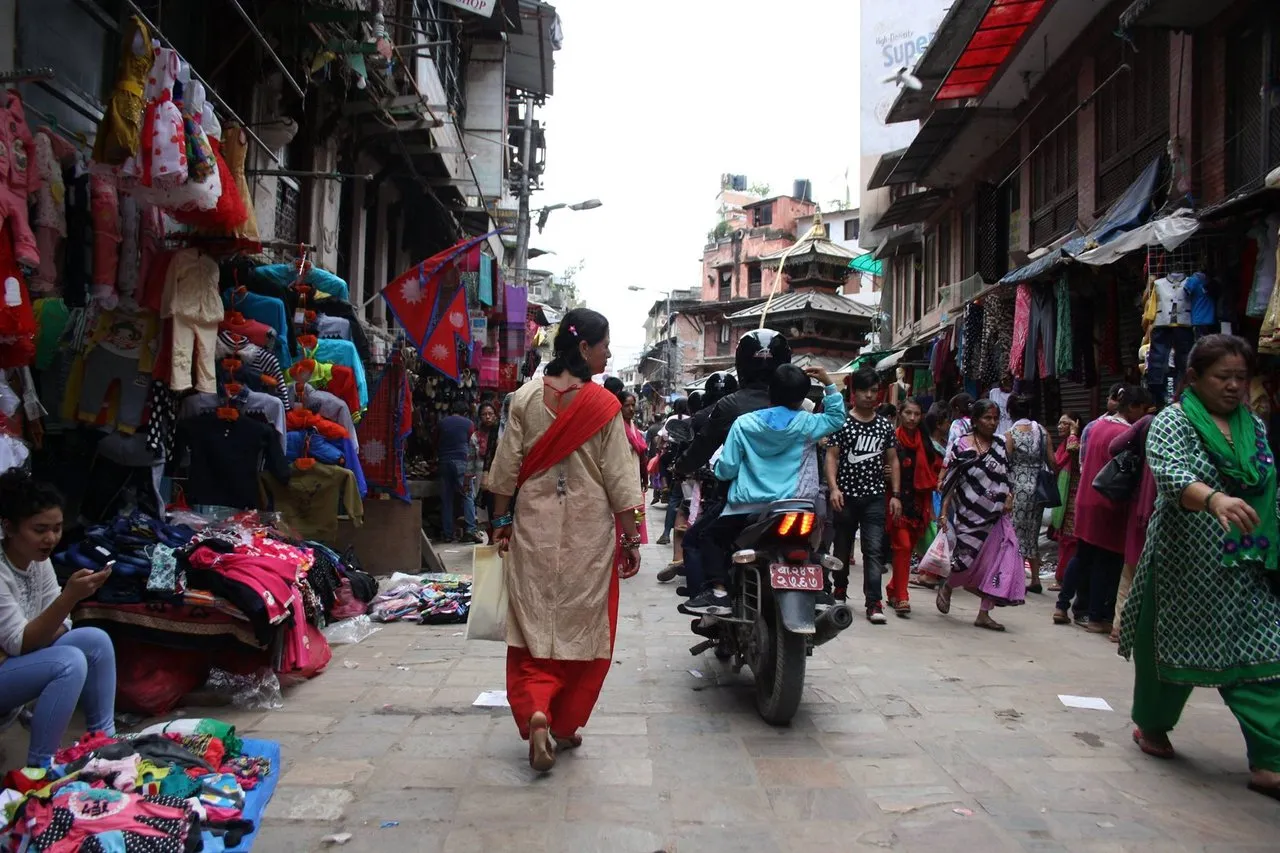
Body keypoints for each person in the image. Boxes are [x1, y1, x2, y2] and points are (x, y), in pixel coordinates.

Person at [1119, 334, 1280, 799]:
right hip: (1183, 568)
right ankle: (1152, 725)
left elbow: (1269, 480)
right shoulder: (1172, 421)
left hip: (1248, 565)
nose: (1234, 387)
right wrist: (1215, 500)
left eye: (1241, 379)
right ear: (1193, 378)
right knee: (1168, 657)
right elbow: (1170, 473)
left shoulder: (1255, 426)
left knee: (1265, 658)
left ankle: (1270, 760)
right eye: (1222, 378)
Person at [487, 308, 643, 772]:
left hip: (533, 526)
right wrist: (631, 538)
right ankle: (563, 723)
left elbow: (504, 470)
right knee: (586, 626)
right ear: (583, 348)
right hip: (587, 534)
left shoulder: (524, 398)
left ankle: (536, 708)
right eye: (604, 346)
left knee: (532, 621)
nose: (609, 354)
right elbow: (621, 480)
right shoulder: (604, 407)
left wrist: (499, 523)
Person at [684, 364, 845, 614]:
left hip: (747, 509)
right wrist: (829, 384)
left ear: (771, 391)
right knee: (815, 542)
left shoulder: (744, 424)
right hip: (797, 505)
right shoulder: (807, 423)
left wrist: (719, 472)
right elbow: (836, 418)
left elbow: (727, 468)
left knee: (710, 537)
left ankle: (719, 593)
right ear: (802, 398)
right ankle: (820, 590)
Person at [0, 473, 117, 768]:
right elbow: (20, 642)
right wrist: (70, 597)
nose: (50, 538)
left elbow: (63, 623)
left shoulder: (38, 561)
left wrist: (54, 617)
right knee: (68, 662)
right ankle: (41, 768)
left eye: (57, 528)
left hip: (14, 661)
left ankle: (105, 744)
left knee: (94, 640)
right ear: (8, 528)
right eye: (39, 529)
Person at [676, 330, 792, 609]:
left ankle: (715, 596)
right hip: (792, 498)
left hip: (743, 500)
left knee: (698, 538)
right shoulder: (802, 406)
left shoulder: (731, 407)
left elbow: (705, 450)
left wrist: (682, 467)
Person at [1053, 385, 1152, 631]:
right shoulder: (1128, 434)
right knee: (1105, 562)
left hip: (1085, 498)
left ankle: (1062, 606)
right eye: (1142, 409)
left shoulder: (1093, 427)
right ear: (1133, 407)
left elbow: (1083, 462)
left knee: (1082, 554)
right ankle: (1095, 616)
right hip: (1109, 504)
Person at [936, 399, 1024, 630]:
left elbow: (1007, 475)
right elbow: (950, 482)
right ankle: (948, 585)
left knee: (999, 560)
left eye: (996, 418)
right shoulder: (962, 446)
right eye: (987, 418)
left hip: (996, 517)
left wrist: (1009, 497)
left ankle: (984, 613)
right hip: (968, 515)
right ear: (975, 420)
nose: (993, 423)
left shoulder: (1000, 445)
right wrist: (944, 514)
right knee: (963, 561)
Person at [827, 369, 900, 624]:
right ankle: (839, 590)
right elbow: (832, 456)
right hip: (845, 497)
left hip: (874, 497)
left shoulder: (884, 426)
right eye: (864, 391)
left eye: (873, 391)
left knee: (874, 550)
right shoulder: (842, 423)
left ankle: (874, 601)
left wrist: (896, 494)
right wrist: (834, 488)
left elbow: (892, 459)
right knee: (842, 547)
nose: (869, 396)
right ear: (853, 393)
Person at [886, 398, 940, 616]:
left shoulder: (925, 443)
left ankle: (892, 588)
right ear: (900, 413)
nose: (912, 418)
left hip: (918, 504)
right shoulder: (891, 439)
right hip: (896, 500)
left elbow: (938, 467)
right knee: (903, 547)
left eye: (916, 414)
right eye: (908, 413)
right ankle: (902, 596)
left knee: (906, 550)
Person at [1108, 409, 1157, 643]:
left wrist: (1136, 455)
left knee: (1130, 568)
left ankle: (1119, 625)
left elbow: (1115, 447)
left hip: (1140, 505)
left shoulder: (1148, 422)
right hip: (1160, 506)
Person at [1005, 395, 1053, 595]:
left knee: (1013, 531)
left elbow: (1006, 462)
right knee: (1032, 533)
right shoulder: (1042, 432)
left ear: (1010, 412)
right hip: (1038, 488)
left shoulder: (1011, 434)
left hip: (1017, 488)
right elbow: (1053, 461)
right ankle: (1034, 578)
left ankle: (1012, 577)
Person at [615, 389, 649, 577]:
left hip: (636, 479)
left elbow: (642, 454)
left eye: (632, 405)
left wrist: (645, 477)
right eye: (626, 405)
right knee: (622, 521)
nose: (630, 409)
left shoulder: (634, 427)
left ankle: (629, 556)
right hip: (623, 481)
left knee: (636, 519)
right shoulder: (617, 428)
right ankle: (619, 560)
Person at [1047, 412, 1083, 592]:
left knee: (1070, 540)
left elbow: (1072, 450)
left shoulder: (1076, 444)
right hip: (1066, 495)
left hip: (1074, 497)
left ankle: (1063, 579)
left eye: (1065, 424)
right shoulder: (1062, 445)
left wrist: (1073, 434)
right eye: (1059, 423)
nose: (1060, 426)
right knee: (1064, 539)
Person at [437, 400, 481, 543]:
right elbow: (473, 442)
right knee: (467, 494)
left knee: (447, 498)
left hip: (444, 461)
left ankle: (448, 534)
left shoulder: (442, 422)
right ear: (465, 412)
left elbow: (435, 441)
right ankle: (470, 529)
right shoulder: (469, 424)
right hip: (462, 461)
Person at [656, 397, 692, 547]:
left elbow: (663, 436)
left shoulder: (671, 418)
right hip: (688, 458)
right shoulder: (692, 419)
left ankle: (665, 533)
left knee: (674, 497)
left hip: (672, 454)